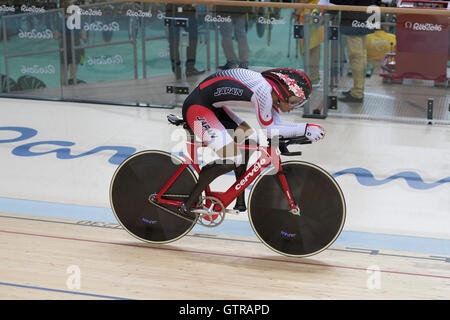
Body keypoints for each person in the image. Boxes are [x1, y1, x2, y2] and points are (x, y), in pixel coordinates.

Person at [178, 67, 325, 217]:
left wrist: (304, 130)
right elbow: (269, 130)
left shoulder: (270, 92)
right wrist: (305, 128)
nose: (294, 107)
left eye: (299, 103)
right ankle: (187, 205)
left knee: (249, 142)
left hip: (213, 107)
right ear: (283, 92)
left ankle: (239, 200)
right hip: (198, 108)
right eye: (294, 101)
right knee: (231, 157)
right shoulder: (264, 93)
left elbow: (277, 125)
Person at [330, 0, 377, 103]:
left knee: (356, 56)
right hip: (366, 15)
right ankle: (358, 89)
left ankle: (357, 93)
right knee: (361, 55)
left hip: (355, 18)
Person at [165, 3, 205, 79]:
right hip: (185, 11)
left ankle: (177, 70)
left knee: (174, 42)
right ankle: (189, 68)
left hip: (173, 11)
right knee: (191, 39)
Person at [215, 2, 251, 70]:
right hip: (239, 7)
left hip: (225, 8)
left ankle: (232, 62)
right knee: (241, 35)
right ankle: (243, 63)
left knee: (227, 36)